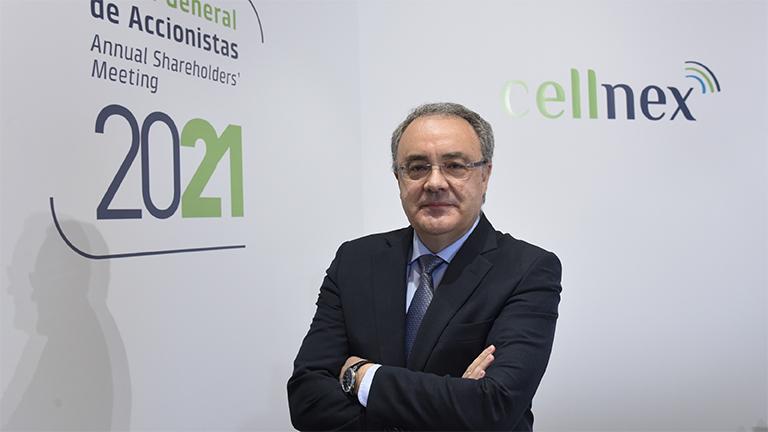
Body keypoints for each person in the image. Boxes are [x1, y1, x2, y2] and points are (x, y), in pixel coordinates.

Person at [287, 102, 562, 431]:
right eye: (417, 167)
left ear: (485, 175)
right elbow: (306, 400)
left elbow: (492, 406)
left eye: (455, 166)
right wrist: (453, 401)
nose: (434, 182)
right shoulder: (355, 261)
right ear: (398, 178)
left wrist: (361, 376)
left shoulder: (527, 270)